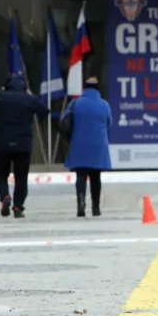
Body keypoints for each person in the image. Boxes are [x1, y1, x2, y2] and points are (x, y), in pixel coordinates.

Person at [0, 74, 49, 219]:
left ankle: (5, 196)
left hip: (1, 144)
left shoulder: (1, 97)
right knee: (21, 177)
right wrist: (32, 96)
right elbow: (44, 111)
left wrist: (0, 93)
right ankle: (18, 206)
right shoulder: (29, 99)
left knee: (1, 174)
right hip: (23, 145)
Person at [62, 76, 112, 217]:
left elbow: (64, 122)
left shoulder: (75, 103)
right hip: (98, 144)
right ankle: (95, 207)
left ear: (84, 88)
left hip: (79, 143)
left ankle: (81, 203)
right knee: (96, 176)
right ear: (98, 89)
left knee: (81, 175)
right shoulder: (104, 104)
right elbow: (109, 124)